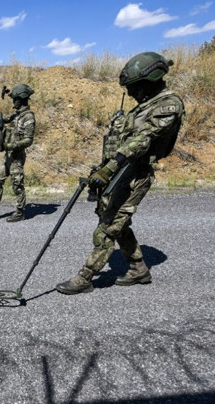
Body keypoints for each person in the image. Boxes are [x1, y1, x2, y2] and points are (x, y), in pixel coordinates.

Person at [56, 52, 184, 294]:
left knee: (108, 228)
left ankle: (85, 277)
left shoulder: (168, 105)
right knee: (117, 222)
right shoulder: (142, 107)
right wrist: (104, 168)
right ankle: (138, 269)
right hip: (120, 172)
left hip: (136, 175)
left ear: (150, 81)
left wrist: (109, 168)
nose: (131, 93)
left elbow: (143, 140)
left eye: (134, 87)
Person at [0, 83, 36, 222]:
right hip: (8, 156)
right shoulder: (16, 115)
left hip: (17, 157)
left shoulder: (28, 118)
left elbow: (28, 140)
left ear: (21, 100)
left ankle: (20, 211)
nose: (12, 102)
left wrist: (8, 144)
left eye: (15, 99)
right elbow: (14, 97)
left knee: (17, 185)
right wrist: (0, 125)